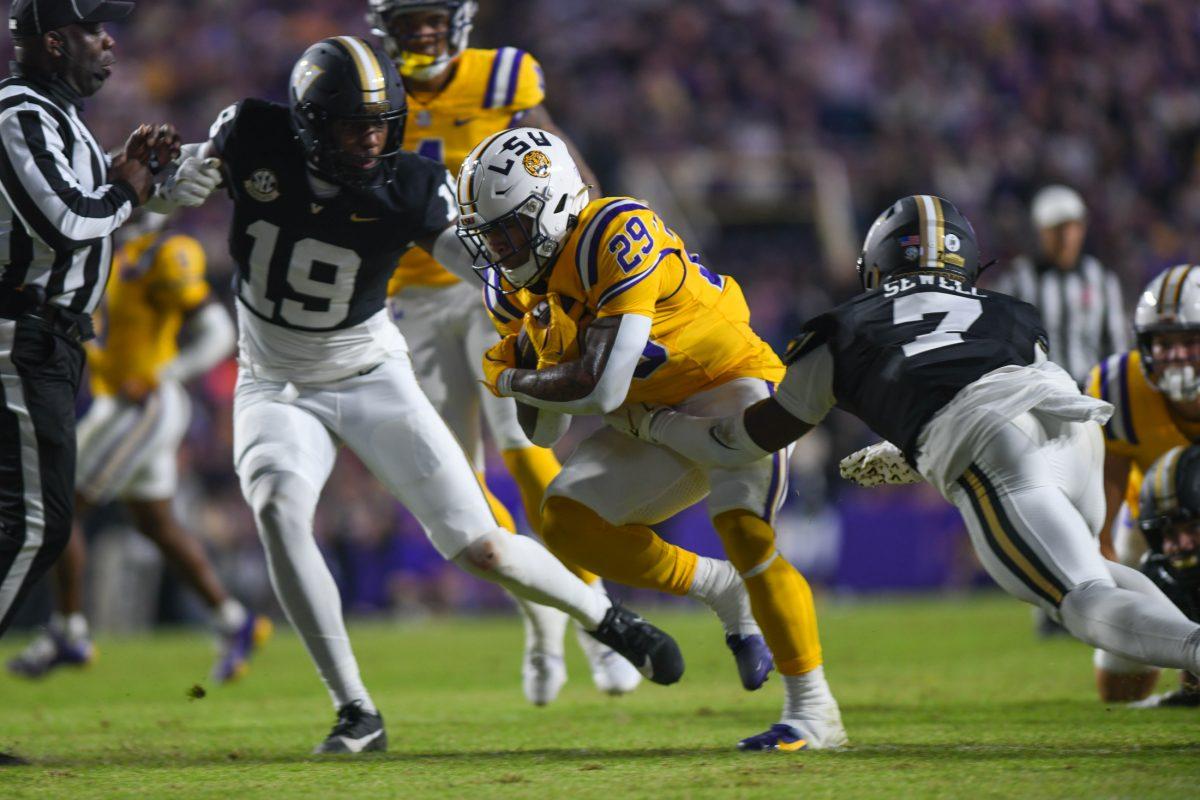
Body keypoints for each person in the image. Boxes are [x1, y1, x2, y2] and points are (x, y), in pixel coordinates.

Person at [175, 37, 681, 754]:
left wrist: (535, 301)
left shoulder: (408, 184)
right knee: (278, 509)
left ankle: (606, 620)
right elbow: (180, 174)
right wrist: (172, 176)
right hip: (272, 379)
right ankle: (355, 710)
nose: (373, 138)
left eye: (383, 122)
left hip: (367, 369)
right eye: (356, 125)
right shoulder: (253, 135)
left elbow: (474, 266)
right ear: (312, 124)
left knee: (483, 547)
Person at [611, 194, 1200, 748]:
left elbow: (743, 441)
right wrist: (917, 450)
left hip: (995, 446)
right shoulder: (1007, 308)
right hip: (1072, 426)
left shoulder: (838, 330)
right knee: (1091, 568)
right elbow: (998, 383)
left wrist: (651, 425)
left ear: (876, 264)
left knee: (1082, 600)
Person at [458, 127, 842, 750]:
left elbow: (603, 391)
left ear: (553, 206)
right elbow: (547, 427)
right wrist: (532, 371)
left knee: (746, 530)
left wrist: (513, 375)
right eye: (489, 233)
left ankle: (815, 711)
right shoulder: (515, 289)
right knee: (565, 520)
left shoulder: (613, 232)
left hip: (732, 386)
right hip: (650, 415)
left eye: (507, 229)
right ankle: (721, 591)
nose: (498, 248)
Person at [367, 0, 635, 704]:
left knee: (526, 451)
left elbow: (568, 174)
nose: (421, 32)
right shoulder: (369, 86)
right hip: (407, 302)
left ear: (457, 19)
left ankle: (596, 615)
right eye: (407, 20)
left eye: (431, 17)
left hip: (496, 285)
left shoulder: (500, 79)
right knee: (459, 481)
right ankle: (542, 615)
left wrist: (575, 277)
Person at [0, 0, 188, 766]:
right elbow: (67, 220)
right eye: (93, 29)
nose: (110, 41)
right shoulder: (18, 111)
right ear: (52, 40)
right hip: (21, 337)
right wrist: (129, 187)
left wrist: (133, 174)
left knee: (32, 525)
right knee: (37, 526)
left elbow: (92, 203)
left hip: (49, 343)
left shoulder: (58, 116)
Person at [6, 211, 270, 683]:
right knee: (156, 523)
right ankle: (234, 620)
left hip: (143, 404)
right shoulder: (113, 252)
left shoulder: (164, 253)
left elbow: (217, 333)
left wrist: (162, 375)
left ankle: (69, 629)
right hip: (118, 404)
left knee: (58, 508)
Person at [1083, 265, 1200, 699]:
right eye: (1165, 343)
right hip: (1151, 530)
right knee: (1120, 686)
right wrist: (1107, 561)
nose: (1178, 356)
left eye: (1191, 341)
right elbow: (1105, 502)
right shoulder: (1121, 386)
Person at [992, 185, 1127, 386]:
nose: (1066, 237)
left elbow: (1117, 345)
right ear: (1041, 231)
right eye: (1056, 229)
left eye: (1072, 227)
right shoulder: (1017, 280)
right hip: (1038, 393)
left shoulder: (1101, 279)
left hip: (1090, 393)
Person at [1112, 445, 1200, 708]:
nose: (1182, 545)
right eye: (1170, 534)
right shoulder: (1161, 575)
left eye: (1194, 527)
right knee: (1114, 686)